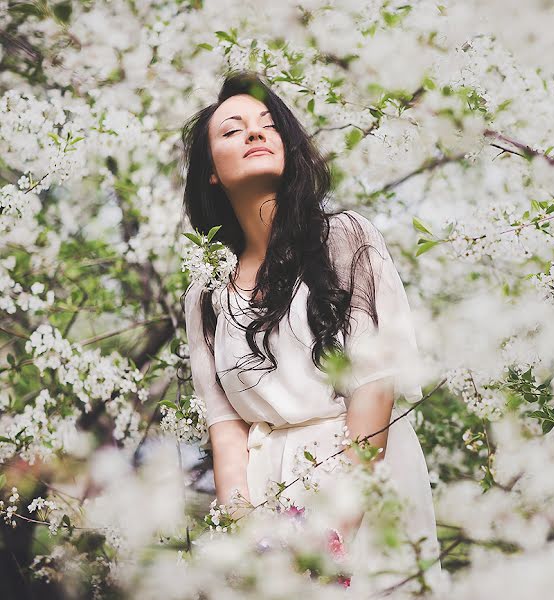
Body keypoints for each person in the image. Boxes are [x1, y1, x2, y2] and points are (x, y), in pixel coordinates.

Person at [180, 71, 442, 593]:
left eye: (267, 125)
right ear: (211, 173)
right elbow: (226, 425)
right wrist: (241, 531)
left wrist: (332, 533)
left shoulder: (346, 239)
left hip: (363, 474)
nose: (254, 134)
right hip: (268, 484)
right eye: (231, 131)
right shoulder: (206, 295)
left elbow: (375, 383)